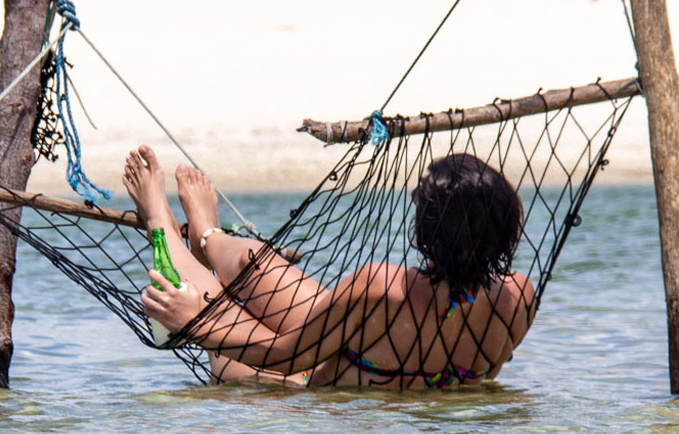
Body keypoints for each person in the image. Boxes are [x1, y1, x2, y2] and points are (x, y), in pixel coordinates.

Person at [124, 145, 536, 389]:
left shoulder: (381, 286)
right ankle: (207, 234)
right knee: (255, 266)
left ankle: (159, 219)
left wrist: (197, 324)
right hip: (358, 352)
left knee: (216, 307)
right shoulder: (519, 295)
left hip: (298, 387)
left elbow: (283, 358)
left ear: (426, 230)